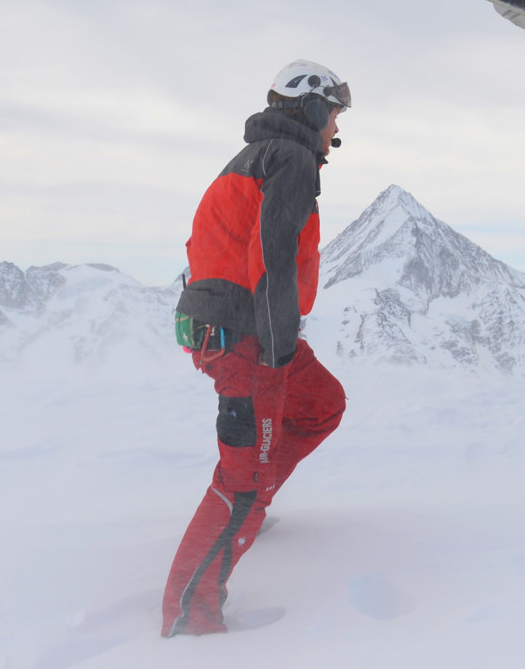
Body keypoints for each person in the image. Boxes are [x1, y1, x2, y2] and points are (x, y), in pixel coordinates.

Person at [161, 61, 353, 637]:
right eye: (335, 115)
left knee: (321, 404)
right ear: (313, 108)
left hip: (239, 329)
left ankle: (254, 496)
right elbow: (270, 255)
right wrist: (272, 350)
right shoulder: (290, 160)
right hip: (251, 340)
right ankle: (189, 620)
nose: (336, 130)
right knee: (241, 479)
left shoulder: (250, 159)